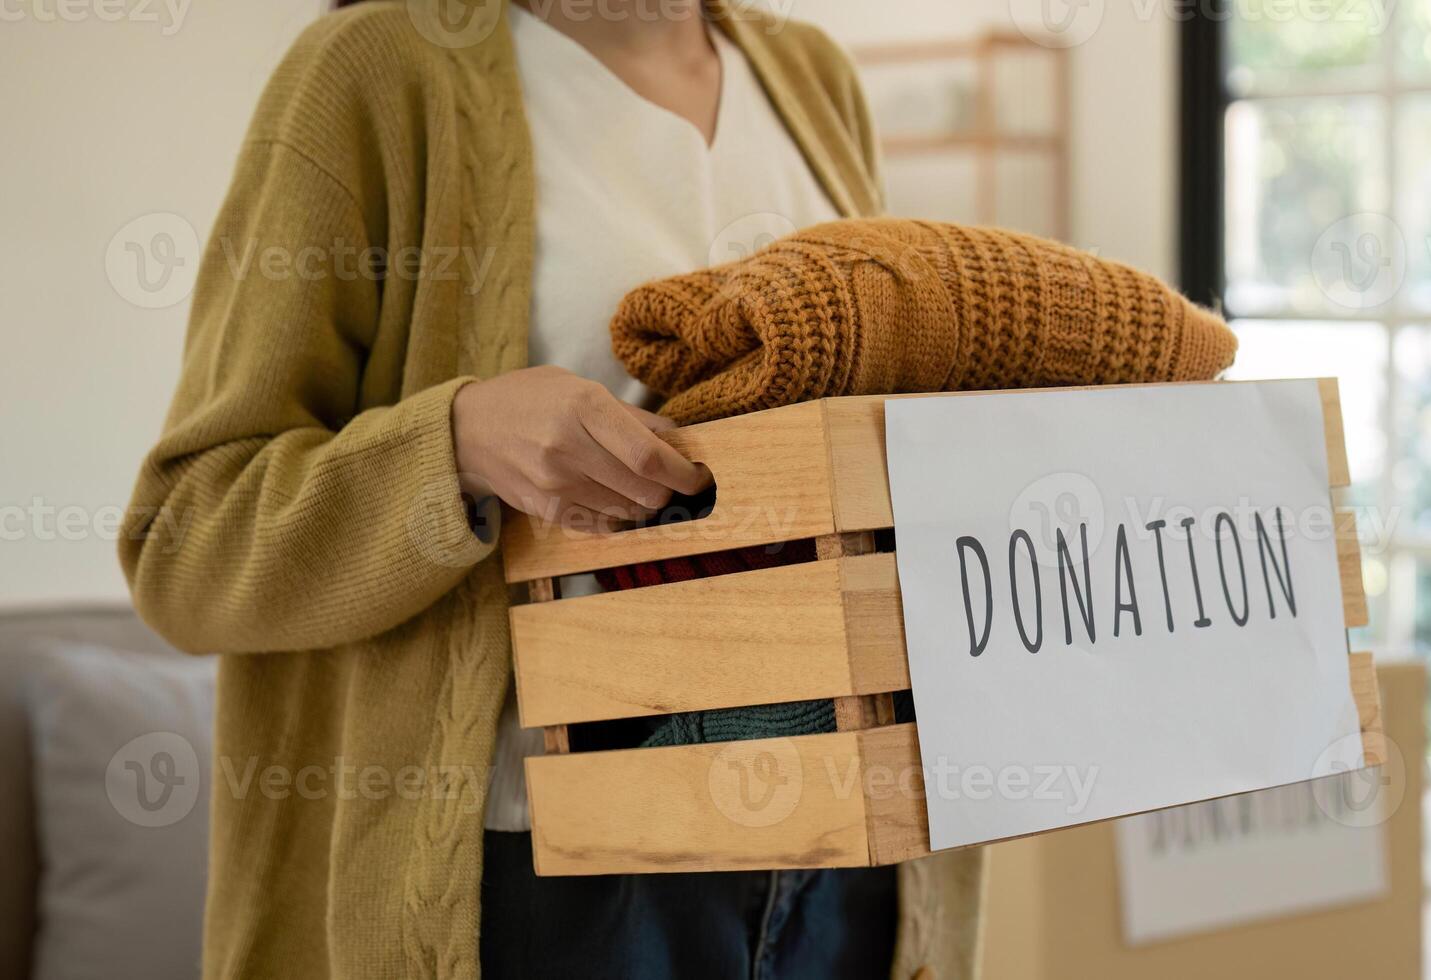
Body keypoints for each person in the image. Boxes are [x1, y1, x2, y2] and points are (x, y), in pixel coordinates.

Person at [118, 1, 981, 977]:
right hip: (546, 879)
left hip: (841, 848)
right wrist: (454, 447)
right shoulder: (380, 66)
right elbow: (184, 539)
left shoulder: (809, 73)